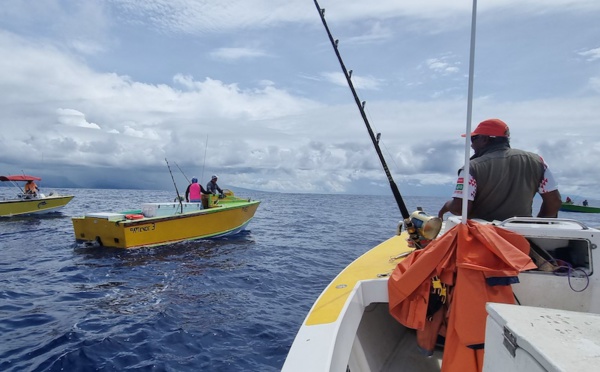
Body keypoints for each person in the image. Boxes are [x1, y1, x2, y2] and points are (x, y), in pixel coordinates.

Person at [438, 118, 562, 221]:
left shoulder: (472, 167)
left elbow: (460, 209)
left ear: (485, 139)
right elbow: (554, 203)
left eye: (474, 139)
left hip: (484, 238)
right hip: (523, 239)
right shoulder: (538, 162)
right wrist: (537, 227)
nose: (471, 144)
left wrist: (447, 206)